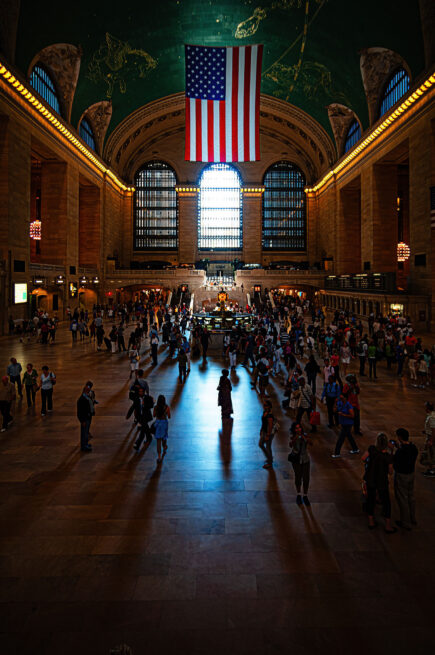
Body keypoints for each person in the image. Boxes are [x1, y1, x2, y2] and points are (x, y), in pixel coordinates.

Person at [361, 432, 397, 533]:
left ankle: (371, 522)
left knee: (370, 500)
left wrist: (370, 463)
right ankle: (388, 525)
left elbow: (363, 458)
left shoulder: (372, 449)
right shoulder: (388, 456)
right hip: (382, 481)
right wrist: (392, 450)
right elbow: (390, 472)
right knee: (386, 502)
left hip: (371, 478)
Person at [391, 428, 418, 530]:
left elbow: (395, 463)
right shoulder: (413, 447)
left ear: (399, 437)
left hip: (402, 475)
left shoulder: (401, 452)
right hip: (411, 474)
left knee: (402, 498)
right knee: (411, 496)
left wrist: (394, 450)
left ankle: (405, 522)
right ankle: (412, 518)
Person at [289, 422, 312, 506]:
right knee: (298, 477)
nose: (298, 430)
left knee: (306, 478)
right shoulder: (293, 436)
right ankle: (298, 494)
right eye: (296, 428)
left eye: (299, 428)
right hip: (296, 459)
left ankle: (305, 495)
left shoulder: (305, 435)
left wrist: (304, 438)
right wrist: (295, 438)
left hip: (305, 458)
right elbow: (290, 445)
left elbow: (311, 443)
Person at [332, 392, 359, 458]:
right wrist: (335, 403)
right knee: (349, 436)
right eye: (340, 398)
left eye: (342, 398)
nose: (340, 399)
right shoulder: (339, 403)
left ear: (345, 398)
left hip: (348, 424)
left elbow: (352, 416)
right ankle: (355, 449)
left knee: (341, 439)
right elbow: (334, 410)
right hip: (343, 423)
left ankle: (337, 453)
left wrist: (343, 415)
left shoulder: (348, 405)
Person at [133, 387, 154, 451]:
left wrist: (144, 405)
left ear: (144, 392)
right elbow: (134, 407)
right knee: (145, 428)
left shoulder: (148, 397)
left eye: (142, 391)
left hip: (146, 416)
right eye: (140, 391)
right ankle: (149, 437)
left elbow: (151, 405)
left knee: (142, 430)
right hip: (140, 417)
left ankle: (137, 444)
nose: (141, 393)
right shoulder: (137, 399)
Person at [153, 394, 171, 463]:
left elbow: (154, 415)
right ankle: (164, 446)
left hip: (158, 423)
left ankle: (159, 456)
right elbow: (169, 416)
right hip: (164, 423)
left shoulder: (155, 407)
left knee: (158, 440)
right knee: (164, 437)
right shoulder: (167, 407)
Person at [77, 383, 93, 452]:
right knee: (84, 433)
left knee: (86, 432)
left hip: (88, 416)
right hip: (85, 418)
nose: (89, 391)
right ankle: (83, 447)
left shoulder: (87, 396)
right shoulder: (81, 399)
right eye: (88, 390)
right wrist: (82, 420)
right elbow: (80, 412)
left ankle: (86, 444)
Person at [258, 399, 274, 469]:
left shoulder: (270, 415)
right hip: (264, 431)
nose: (264, 407)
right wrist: (261, 429)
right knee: (261, 444)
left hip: (268, 433)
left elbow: (270, 426)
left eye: (266, 405)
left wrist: (268, 435)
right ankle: (269, 456)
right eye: (264, 405)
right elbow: (263, 422)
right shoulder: (265, 412)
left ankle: (270, 463)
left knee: (268, 447)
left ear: (270, 406)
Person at [421, 401, 435, 477]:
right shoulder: (431, 415)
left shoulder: (432, 417)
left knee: (431, 453)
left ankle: (432, 470)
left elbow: (434, 430)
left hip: (431, 437)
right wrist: (426, 431)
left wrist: (431, 441)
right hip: (429, 435)